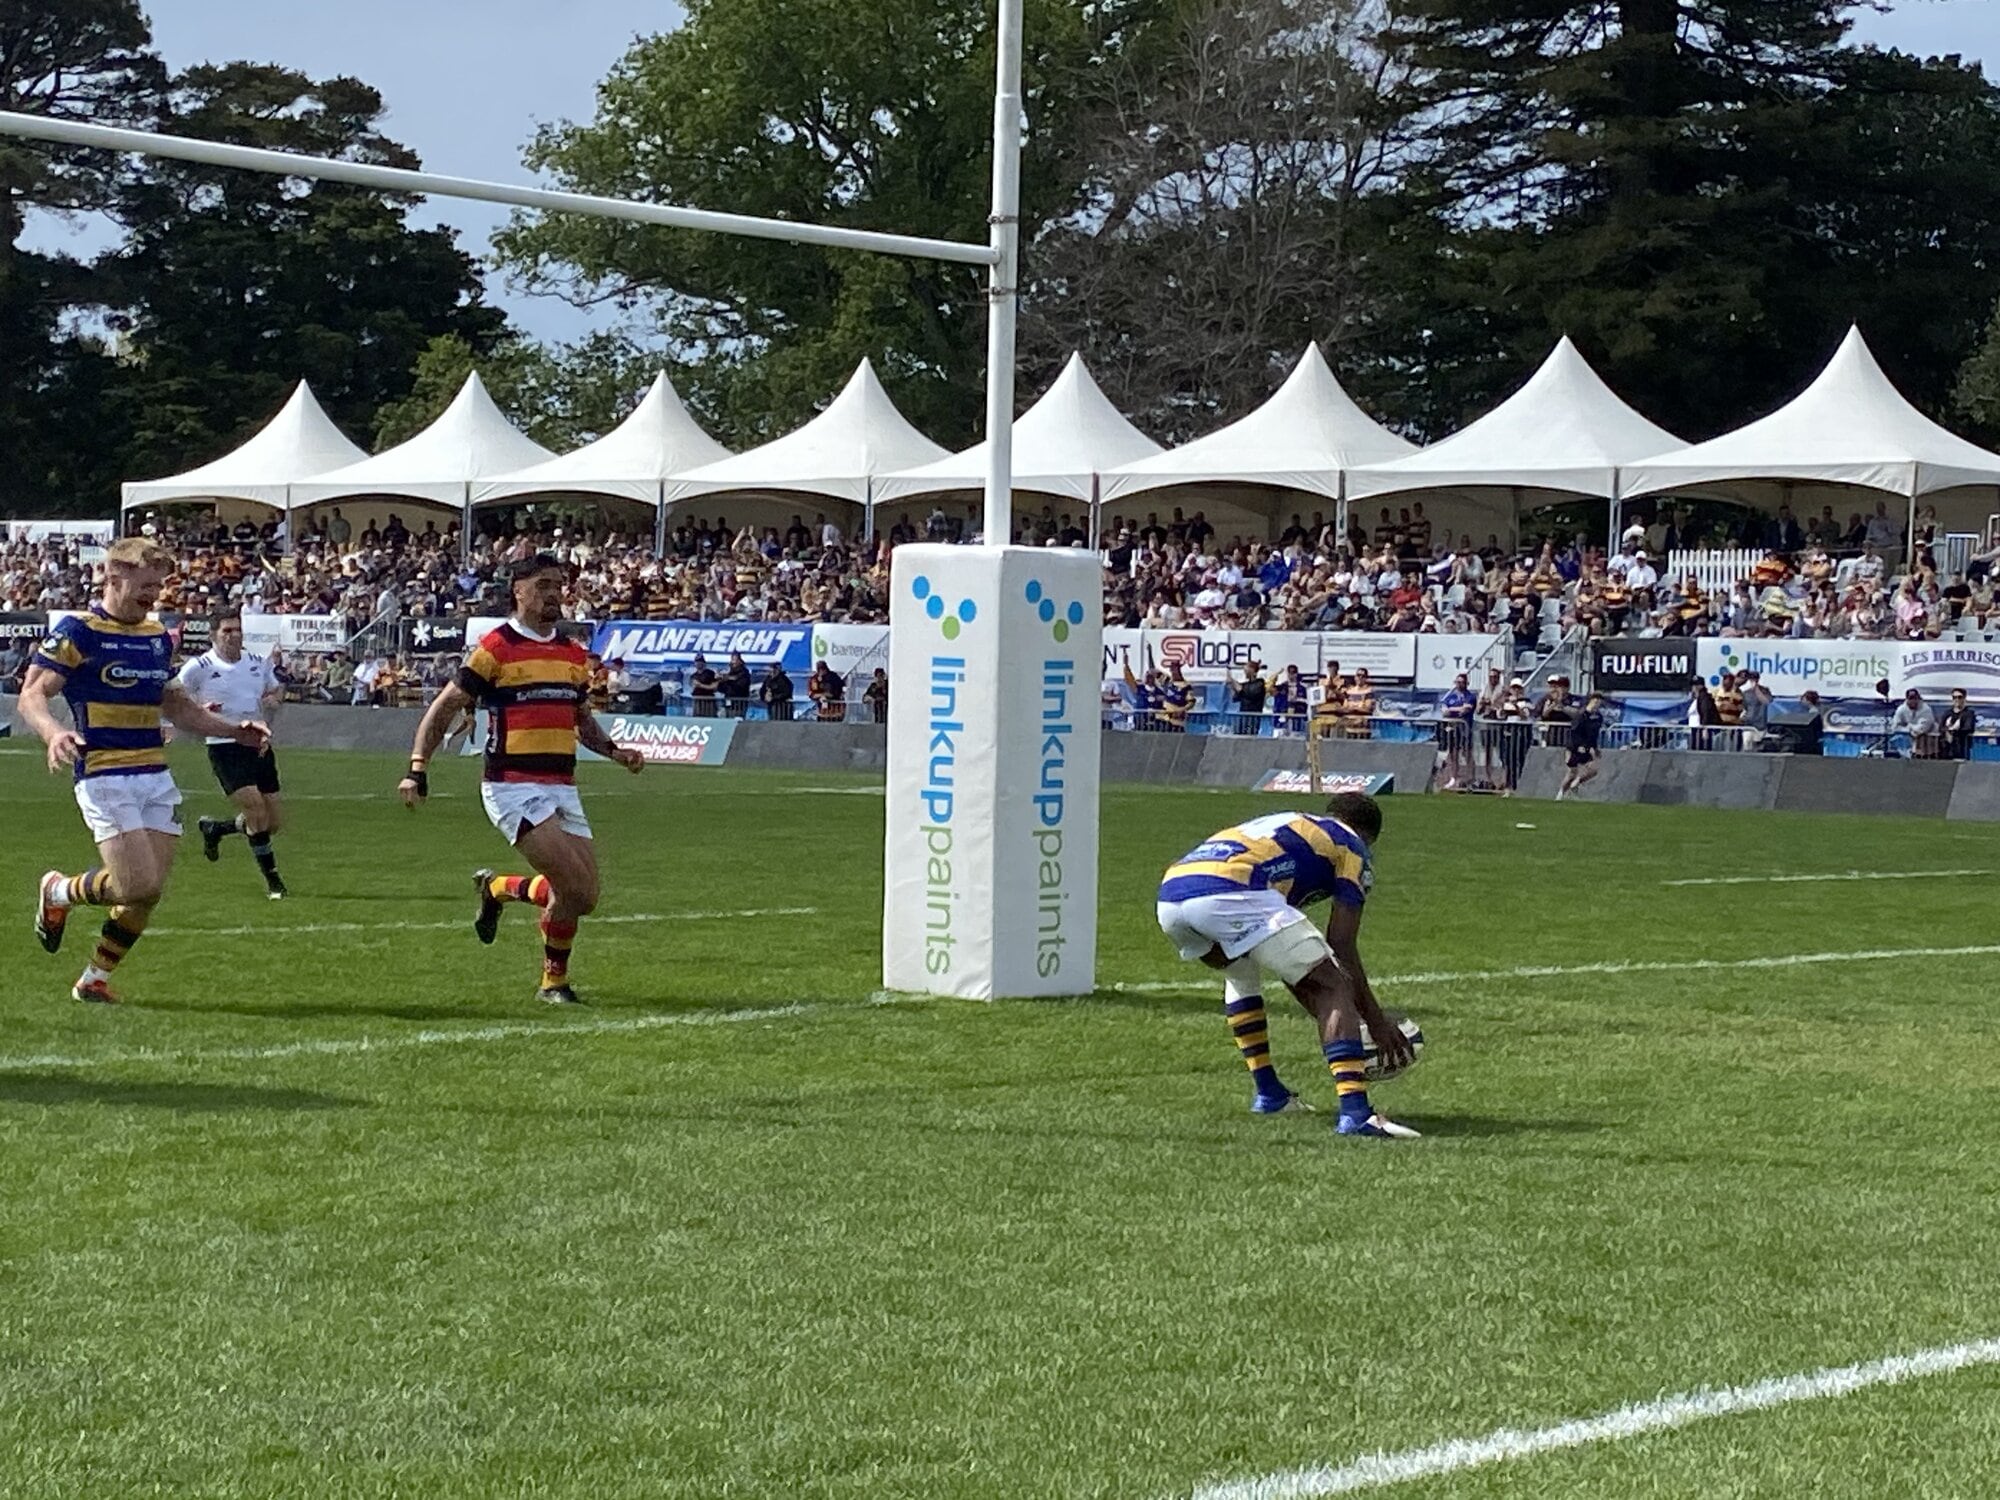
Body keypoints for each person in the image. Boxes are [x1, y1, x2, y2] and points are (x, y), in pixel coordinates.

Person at [24, 537, 271, 1003]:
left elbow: (178, 707)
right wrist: (52, 732)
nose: (153, 594)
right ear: (113, 578)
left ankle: (93, 980)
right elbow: (32, 694)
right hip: (104, 774)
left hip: (154, 776)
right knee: (138, 883)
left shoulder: (157, 638)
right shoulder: (82, 631)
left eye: (158, 586)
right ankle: (57, 890)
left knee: (147, 895)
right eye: (145, 584)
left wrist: (234, 729)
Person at [397, 554, 645, 1005]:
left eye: (559, 585)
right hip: (512, 785)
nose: (554, 593)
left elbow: (581, 720)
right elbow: (445, 706)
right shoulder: (497, 647)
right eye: (544, 585)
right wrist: (417, 767)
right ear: (520, 591)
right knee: (571, 883)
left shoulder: (572, 654)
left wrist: (614, 751)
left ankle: (497, 889)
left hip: (562, 786)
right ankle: (553, 984)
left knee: (585, 896)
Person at [1155, 792, 1417, 1138]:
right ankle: (1356, 1114)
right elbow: (1341, 943)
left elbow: (1286, 958)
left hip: (1172, 895)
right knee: (1334, 985)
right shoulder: (1352, 845)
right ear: (1368, 836)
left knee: (1242, 971)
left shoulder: (1297, 826)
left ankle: (1270, 1093)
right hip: (1232, 889)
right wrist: (1375, 1021)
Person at [180, 612, 290, 899]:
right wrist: (200, 708)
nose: (234, 635)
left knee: (272, 821)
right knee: (255, 810)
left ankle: (217, 828)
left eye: (237, 630)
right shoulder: (199, 667)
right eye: (227, 630)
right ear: (213, 634)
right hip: (223, 744)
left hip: (258, 744)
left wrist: (274, 698)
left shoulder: (256, 663)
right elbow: (175, 696)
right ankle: (273, 881)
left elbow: (276, 689)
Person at [1559, 692, 1607, 799]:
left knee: (1593, 770)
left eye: (1599, 702)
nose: (1597, 704)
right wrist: (1578, 745)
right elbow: (1575, 732)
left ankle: (1576, 784)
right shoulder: (1581, 715)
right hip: (1575, 747)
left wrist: (1594, 748)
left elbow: (1594, 734)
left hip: (1588, 747)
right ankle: (1561, 793)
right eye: (1596, 701)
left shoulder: (1598, 717)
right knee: (1572, 773)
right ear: (1591, 701)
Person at [1437, 671, 1477, 789]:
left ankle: (1471, 778)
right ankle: (1453, 777)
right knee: (1453, 754)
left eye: (1462, 682)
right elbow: (1444, 710)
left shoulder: (1470, 696)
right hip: (1453, 730)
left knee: (1467, 753)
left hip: (1465, 729)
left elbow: (1466, 709)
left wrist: (1452, 709)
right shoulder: (1451, 696)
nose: (1459, 684)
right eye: (1458, 682)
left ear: (1466, 683)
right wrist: (1454, 710)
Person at [1943, 689, 1978, 760]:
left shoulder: (1969, 713)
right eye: (1954, 697)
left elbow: (1968, 728)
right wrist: (1947, 730)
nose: (1957, 699)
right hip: (1946, 750)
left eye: (1959, 697)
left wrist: (1953, 730)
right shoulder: (1947, 713)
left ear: (1964, 698)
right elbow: (1941, 727)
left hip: (1961, 749)